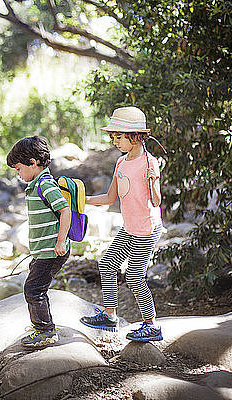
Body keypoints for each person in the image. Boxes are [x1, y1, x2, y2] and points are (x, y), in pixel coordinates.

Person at [79, 106, 164, 342]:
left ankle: (152, 325)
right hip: (129, 227)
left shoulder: (150, 162)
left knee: (135, 277)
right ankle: (109, 315)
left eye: (119, 137)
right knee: (107, 264)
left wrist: (153, 182)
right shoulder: (121, 162)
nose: (115, 141)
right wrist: (80, 201)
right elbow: (109, 198)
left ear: (135, 136)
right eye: (113, 137)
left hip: (146, 229)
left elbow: (156, 201)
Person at [6, 136, 71, 348]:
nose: (18, 174)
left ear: (33, 162)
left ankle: (45, 331)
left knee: (33, 290)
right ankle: (43, 326)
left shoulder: (45, 184)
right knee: (35, 287)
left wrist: (61, 241)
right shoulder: (36, 185)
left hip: (52, 251)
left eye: (18, 168)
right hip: (42, 252)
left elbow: (65, 210)